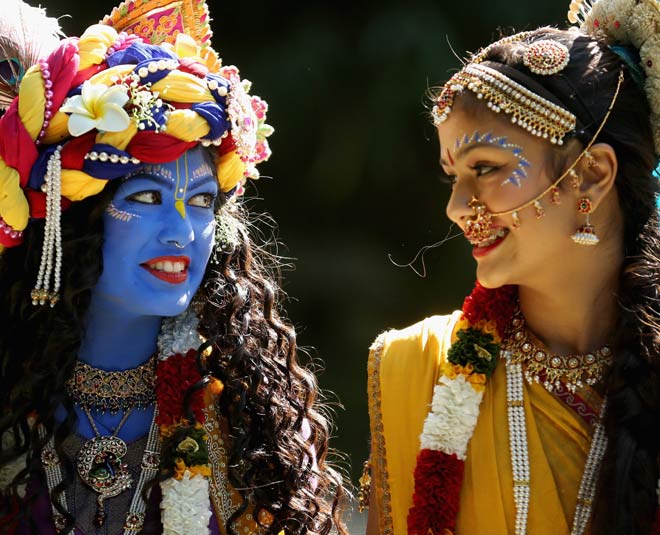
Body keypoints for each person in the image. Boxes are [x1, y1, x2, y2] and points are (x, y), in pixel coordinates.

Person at [0, 1, 346, 534]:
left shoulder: (247, 420)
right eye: (144, 196)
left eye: (203, 202)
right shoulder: (9, 392)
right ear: (72, 215)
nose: (181, 231)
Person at [364, 0, 660, 533]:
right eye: (453, 175)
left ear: (591, 175)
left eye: (486, 167)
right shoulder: (412, 367)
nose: (457, 207)